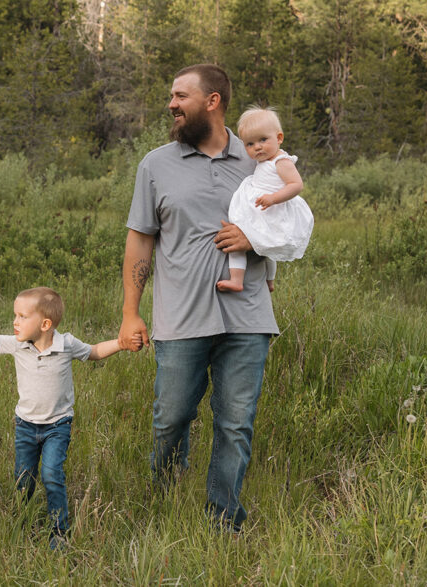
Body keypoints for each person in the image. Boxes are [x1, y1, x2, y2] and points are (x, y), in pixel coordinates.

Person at [119, 64, 279, 533]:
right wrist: (131, 312)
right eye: (172, 95)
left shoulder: (259, 161)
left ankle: (223, 520)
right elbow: (140, 240)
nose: (171, 104)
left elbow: (286, 228)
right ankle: (164, 504)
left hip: (247, 317)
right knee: (171, 419)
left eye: (180, 96)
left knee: (235, 425)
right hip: (181, 317)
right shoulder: (156, 164)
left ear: (213, 102)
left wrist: (254, 241)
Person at [0, 287, 125, 548]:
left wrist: (121, 343)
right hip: (26, 426)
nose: (15, 322)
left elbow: (94, 351)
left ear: (45, 324)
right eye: (15, 315)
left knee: (52, 474)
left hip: (57, 426)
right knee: (23, 478)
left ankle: (58, 532)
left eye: (21, 316)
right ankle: (21, 523)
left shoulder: (66, 345)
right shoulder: (18, 345)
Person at [216, 106, 313, 293]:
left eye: (263, 140)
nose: (257, 147)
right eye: (250, 144)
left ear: (279, 138)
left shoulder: (281, 162)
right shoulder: (264, 161)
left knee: (247, 239)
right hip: (263, 206)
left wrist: (273, 198)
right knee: (259, 245)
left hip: (271, 208)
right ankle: (261, 281)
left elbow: (296, 185)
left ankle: (245, 279)